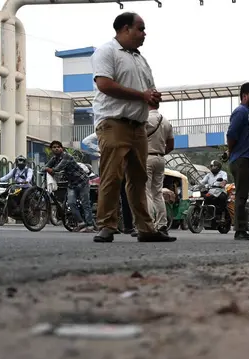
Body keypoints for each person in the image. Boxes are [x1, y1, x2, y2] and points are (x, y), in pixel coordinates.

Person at [91, 12, 175, 243]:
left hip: (139, 126)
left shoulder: (140, 59)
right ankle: (107, 225)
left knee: (139, 180)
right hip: (114, 122)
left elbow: (150, 92)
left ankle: (146, 228)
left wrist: (153, 98)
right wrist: (142, 95)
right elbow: (105, 84)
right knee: (112, 176)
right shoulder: (107, 51)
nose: (144, 33)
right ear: (125, 29)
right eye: (140, 28)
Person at [82, 132, 135, 235]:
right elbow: (86, 141)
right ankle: (119, 225)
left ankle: (114, 225)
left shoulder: (107, 130)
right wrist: (100, 149)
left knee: (115, 194)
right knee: (118, 194)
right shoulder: (105, 130)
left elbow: (86, 141)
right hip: (112, 163)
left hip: (113, 163)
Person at [226, 82, 249, 241]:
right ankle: (240, 230)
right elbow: (231, 134)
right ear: (244, 96)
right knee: (242, 196)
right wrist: (232, 152)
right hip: (241, 159)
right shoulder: (240, 111)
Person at [45, 141, 94, 233]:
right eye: (54, 147)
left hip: (82, 181)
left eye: (58, 147)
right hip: (72, 184)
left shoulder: (67, 156)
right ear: (51, 149)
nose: (56, 148)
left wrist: (49, 169)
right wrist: (45, 169)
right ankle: (81, 223)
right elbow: (45, 167)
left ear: (62, 148)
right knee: (71, 203)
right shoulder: (54, 158)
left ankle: (90, 225)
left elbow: (56, 169)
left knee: (85, 203)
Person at [146, 103, 174, 234]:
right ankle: (162, 224)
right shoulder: (166, 122)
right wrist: (160, 152)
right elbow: (171, 145)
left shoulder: (146, 119)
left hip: (147, 158)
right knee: (157, 192)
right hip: (161, 159)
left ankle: (149, 224)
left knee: (146, 192)